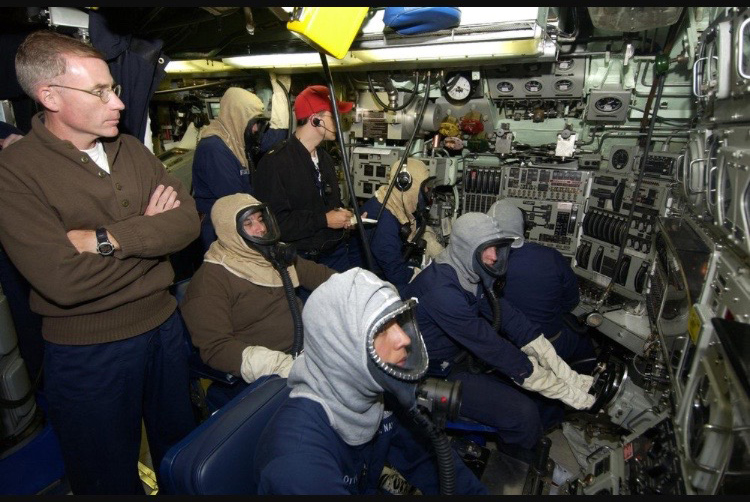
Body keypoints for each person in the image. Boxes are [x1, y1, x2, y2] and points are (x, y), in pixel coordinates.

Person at [0, 30, 200, 494]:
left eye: (114, 88)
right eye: (99, 92)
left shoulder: (128, 148)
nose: (118, 103)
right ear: (49, 96)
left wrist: (105, 239)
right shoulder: (16, 173)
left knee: (184, 456)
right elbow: (63, 283)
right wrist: (154, 242)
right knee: (106, 478)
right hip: (90, 354)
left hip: (165, 330)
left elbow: (188, 222)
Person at [253, 267, 488, 495]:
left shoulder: (375, 391)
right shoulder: (297, 465)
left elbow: (424, 459)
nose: (404, 338)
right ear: (342, 349)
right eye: (381, 330)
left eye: (398, 321)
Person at [402, 212, 595, 463]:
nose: (494, 257)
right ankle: (518, 468)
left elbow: (511, 318)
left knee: (533, 399)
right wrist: (559, 389)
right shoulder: (442, 291)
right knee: (523, 413)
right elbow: (491, 346)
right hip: (431, 374)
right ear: (467, 249)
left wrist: (562, 370)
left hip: (460, 358)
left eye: (497, 249)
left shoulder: (468, 272)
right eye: (486, 250)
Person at [180, 193, 335, 405]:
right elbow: (216, 348)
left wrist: (366, 288)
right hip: (266, 375)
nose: (260, 229)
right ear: (229, 231)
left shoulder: (276, 254)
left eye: (261, 219)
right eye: (248, 223)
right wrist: (276, 364)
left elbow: (323, 276)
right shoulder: (210, 281)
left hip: (308, 352)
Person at [254, 84, 363, 274]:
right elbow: (276, 223)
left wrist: (346, 216)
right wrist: (324, 220)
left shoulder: (325, 158)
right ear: (315, 120)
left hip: (335, 253)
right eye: (333, 117)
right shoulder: (274, 163)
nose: (339, 123)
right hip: (301, 261)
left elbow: (329, 204)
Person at [488, 199, 596, 370]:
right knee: (583, 338)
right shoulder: (551, 256)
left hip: (506, 349)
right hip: (551, 345)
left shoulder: (484, 261)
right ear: (523, 228)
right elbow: (571, 302)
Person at [192, 86, 268, 252]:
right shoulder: (214, 147)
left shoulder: (235, 143)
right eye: (253, 122)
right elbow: (234, 199)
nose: (255, 129)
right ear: (238, 117)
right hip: (216, 229)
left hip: (239, 221)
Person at [360, 157, 444, 295]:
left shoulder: (396, 203)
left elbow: (417, 225)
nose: (427, 191)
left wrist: (435, 248)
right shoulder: (384, 219)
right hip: (374, 283)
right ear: (404, 184)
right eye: (424, 186)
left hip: (389, 271)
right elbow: (397, 274)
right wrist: (421, 274)